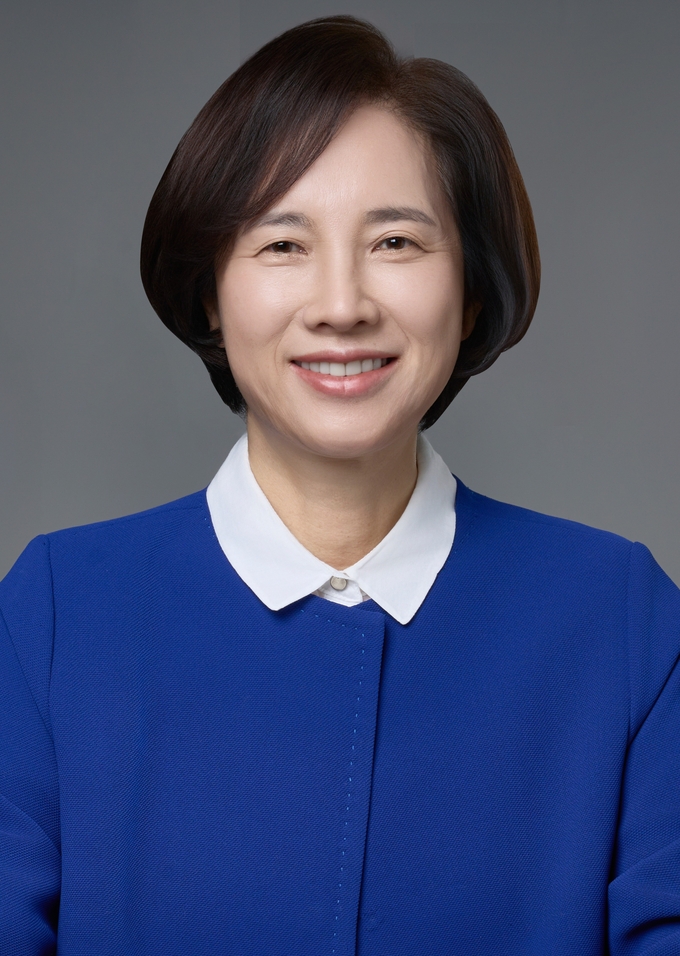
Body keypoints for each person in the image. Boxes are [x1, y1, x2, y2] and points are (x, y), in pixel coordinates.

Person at [1, 14, 679, 955]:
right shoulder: (53, 617)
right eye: (283, 245)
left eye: (395, 242)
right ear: (211, 292)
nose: (341, 306)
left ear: (471, 292)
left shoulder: (623, 623)